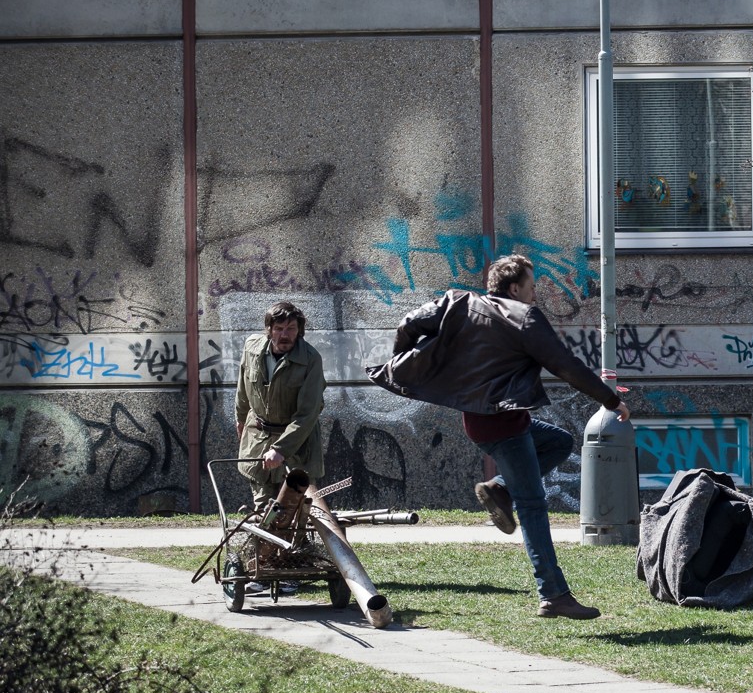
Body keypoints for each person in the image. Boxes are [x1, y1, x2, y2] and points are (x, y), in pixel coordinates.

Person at [366, 254, 629, 621]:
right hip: (505, 425)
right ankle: (553, 594)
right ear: (514, 287)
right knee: (534, 507)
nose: (535, 296)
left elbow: (409, 323)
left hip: (479, 423)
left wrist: (403, 359)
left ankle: (501, 489)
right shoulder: (523, 317)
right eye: (532, 287)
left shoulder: (457, 303)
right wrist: (611, 400)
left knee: (559, 442)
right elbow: (565, 365)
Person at [235, 300, 325, 513]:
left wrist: (280, 449)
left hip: (297, 445)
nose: (284, 335)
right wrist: (239, 419)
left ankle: (300, 547)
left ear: (299, 331)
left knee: (294, 510)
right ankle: (262, 546)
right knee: (262, 508)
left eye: (291, 328)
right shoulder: (252, 348)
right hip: (258, 438)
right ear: (269, 330)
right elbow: (242, 387)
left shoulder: (311, 360)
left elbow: (308, 413)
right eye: (278, 329)